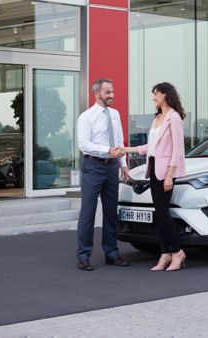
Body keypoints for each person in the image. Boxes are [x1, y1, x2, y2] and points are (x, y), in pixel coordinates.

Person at [121, 82, 187, 271]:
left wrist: (169, 175)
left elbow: (178, 150)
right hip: (154, 171)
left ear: (165, 94)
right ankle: (165, 253)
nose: (153, 98)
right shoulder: (157, 118)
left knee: (163, 213)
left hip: (165, 172)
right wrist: (126, 149)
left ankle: (177, 252)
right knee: (159, 213)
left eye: (156, 94)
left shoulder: (173, 117)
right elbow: (150, 148)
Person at [75, 78, 130, 271]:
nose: (112, 95)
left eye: (112, 92)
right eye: (108, 92)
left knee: (111, 213)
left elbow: (119, 141)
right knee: (88, 213)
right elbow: (84, 145)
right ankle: (83, 256)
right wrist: (108, 150)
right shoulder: (86, 117)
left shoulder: (115, 114)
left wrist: (123, 164)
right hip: (93, 166)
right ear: (97, 93)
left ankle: (112, 253)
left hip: (112, 167)